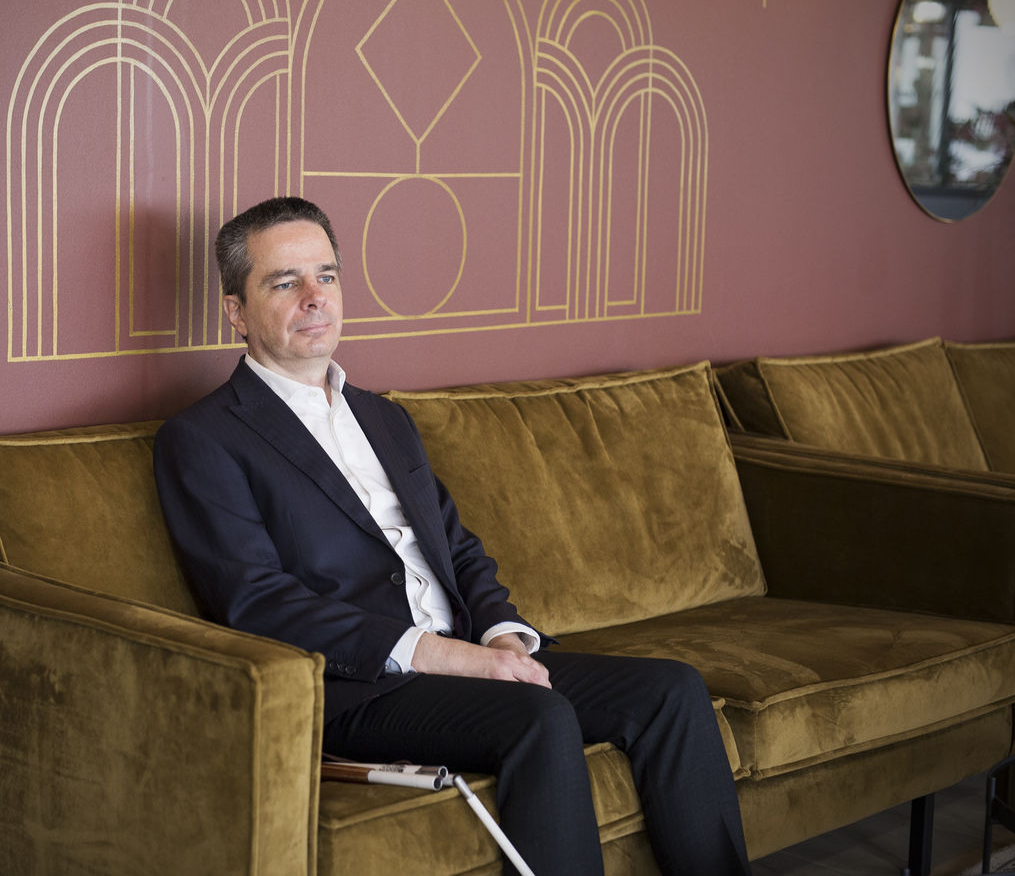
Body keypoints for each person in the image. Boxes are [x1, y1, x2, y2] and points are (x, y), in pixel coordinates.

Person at [153, 196, 751, 876]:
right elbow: (257, 601)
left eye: (326, 275)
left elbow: (456, 548)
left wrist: (500, 636)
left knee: (672, 690)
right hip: (359, 687)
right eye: (284, 282)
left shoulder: (383, 418)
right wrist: (446, 657)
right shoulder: (203, 438)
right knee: (538, 716)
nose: (314, 297)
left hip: (467, 652)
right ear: (236, 311)